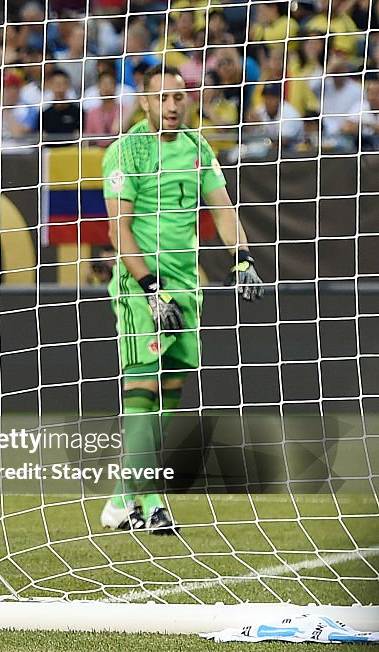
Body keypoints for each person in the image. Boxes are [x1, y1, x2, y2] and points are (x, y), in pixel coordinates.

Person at [100, 65, 264, 534]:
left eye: (180, 97)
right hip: (140, 287)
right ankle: (150, 503)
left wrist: (242, 259)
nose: (173, 106)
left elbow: (223, 209)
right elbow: (119, 231)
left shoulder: (198, 148)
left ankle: (123, 496)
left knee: (170, 394)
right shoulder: (125, 151)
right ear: (145, 103)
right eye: (163, 98)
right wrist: (150, 287)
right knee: (144, 388)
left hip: (187, 288)